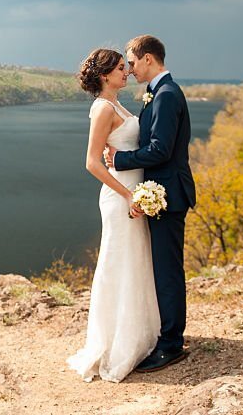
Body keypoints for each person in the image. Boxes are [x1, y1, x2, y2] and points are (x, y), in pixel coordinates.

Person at [67, 48, 160, 383]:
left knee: (136, 261)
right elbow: (92, 162)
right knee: (118, 262)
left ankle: (138, 335)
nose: (127, 72)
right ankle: (115, 344)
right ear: (105, 75)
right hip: (120, 197)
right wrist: (128, 195)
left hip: (133, 193)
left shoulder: (117, 104)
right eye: (121, 68)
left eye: (127, 66)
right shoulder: (103, 108)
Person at [106, 35, 194, 373]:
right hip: (160, 194)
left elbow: (161, 150)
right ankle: (166, 332)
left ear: (148, 59)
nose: (129, 69)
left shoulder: (167, 94)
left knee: (167, 271)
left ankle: (171, 344)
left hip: (169, 196)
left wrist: (119, 159)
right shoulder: (159, 92)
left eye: (131, 62)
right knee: (161, 269)